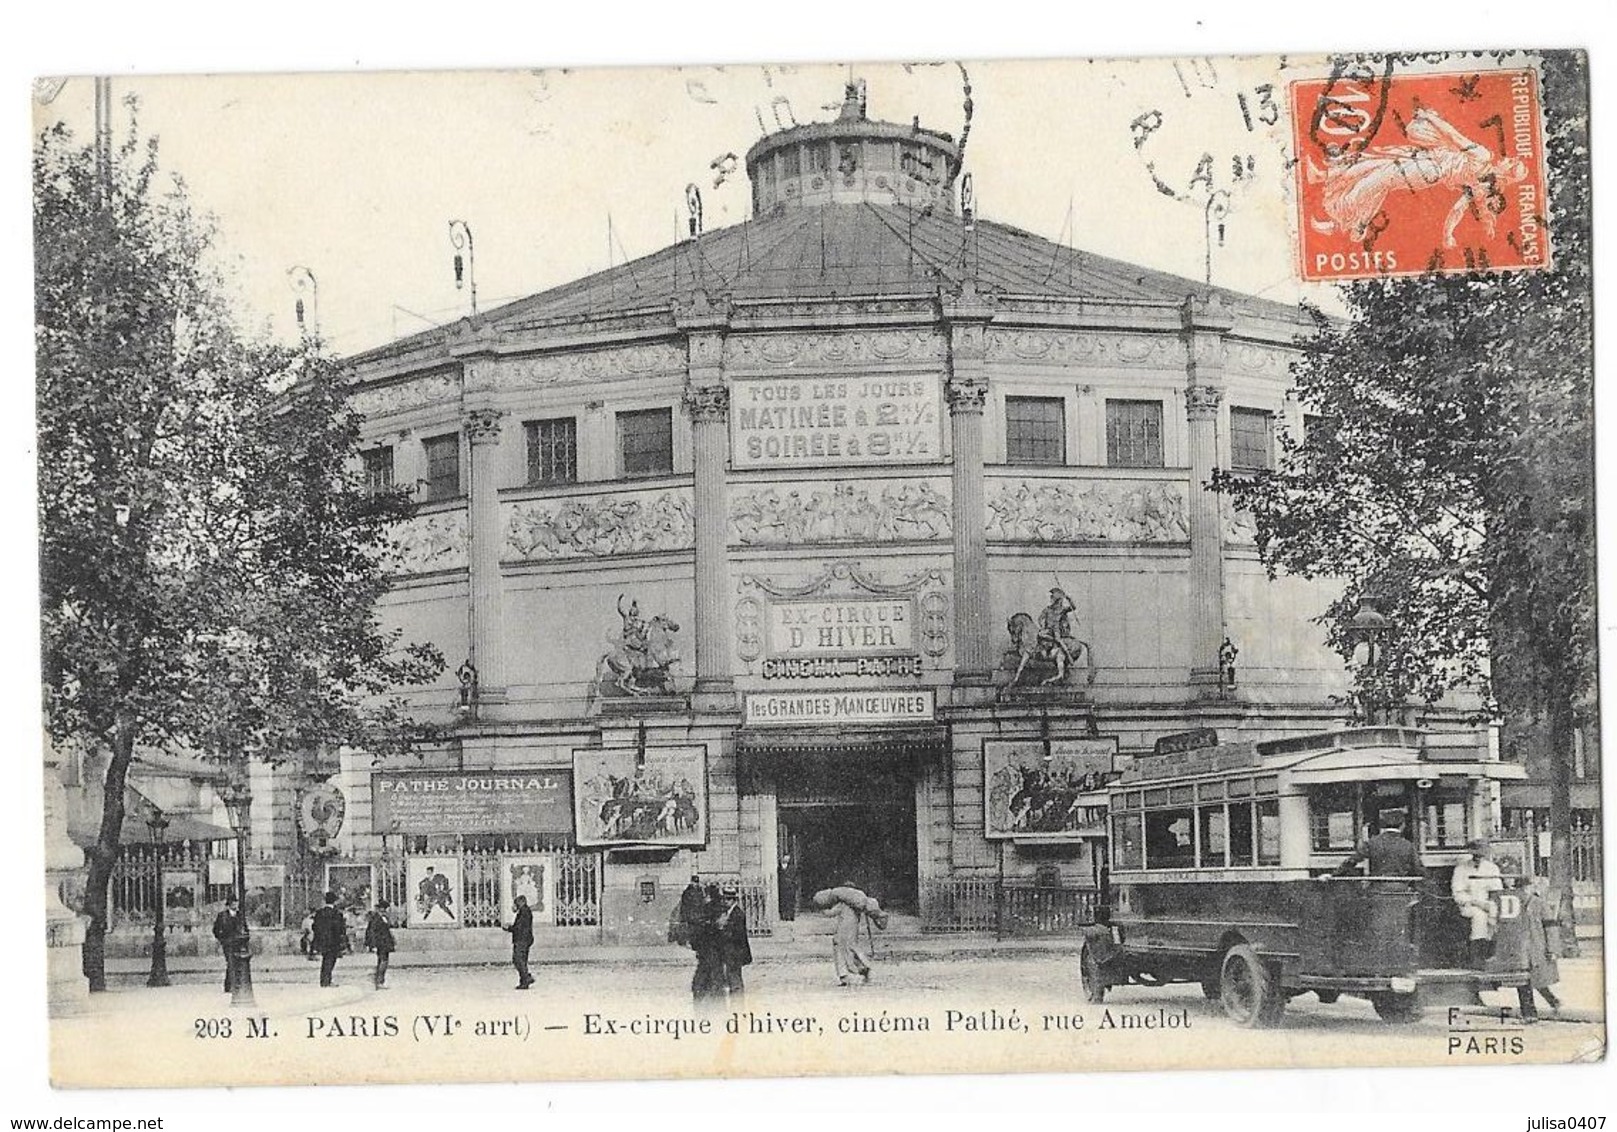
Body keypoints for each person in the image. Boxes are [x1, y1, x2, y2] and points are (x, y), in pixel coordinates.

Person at [1451, 838, 1504, 968]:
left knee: (1496, 916)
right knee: (1479, 916)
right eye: (1476, 855)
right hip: (1469, 904)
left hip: (1488, 903)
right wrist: (1474, 902)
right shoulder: (1461, 869)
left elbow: (1496, 891)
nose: (1478, 858)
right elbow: (1458, 892)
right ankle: (1477, 957)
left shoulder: (1492, 868)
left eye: (1481, 855)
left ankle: (1493, 954)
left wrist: (1491, 906)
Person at [1516, 877, 1563, 1020]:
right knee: (1524, 980)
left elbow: (1551, 928)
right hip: (1522, 949)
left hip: (1537, 948)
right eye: (1520, 889)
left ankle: (1542, 1006)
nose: (1523, 891)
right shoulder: (1515, 905)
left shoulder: (1540, 904)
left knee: (1535, 979)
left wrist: (1553, 949)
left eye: (1525, 888)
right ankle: (1532, 1012)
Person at [1332, 810, 1423, 878]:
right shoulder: (1408, 845)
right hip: (1401, 888)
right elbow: (1418, 868)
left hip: (1377, 888)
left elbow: (1352, 860)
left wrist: (1333, 874)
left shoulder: (1373, 842)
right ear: (1403, 825)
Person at [689, 883, 725, 1007]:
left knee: (705, 974)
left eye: (706, 894)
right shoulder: (720, 908)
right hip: (714, 948)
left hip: (708, 948)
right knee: (714, 973)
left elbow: (701, 929)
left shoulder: (708, 908)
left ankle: (705, 998)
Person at [715, 881, 752, 1000]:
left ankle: (738, 1008)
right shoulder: (727, 913)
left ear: (733, 900)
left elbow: (737, 935)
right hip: (729, 953)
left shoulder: (738, 914)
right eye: (724, 899)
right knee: (731, 980)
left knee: (735, 981)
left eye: (727, 899)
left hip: (735, 953)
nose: (724, 902)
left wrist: (721, 929)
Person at [312, 890, 347, 988]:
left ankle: (324, 980)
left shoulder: (319, 913)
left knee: (325, 959)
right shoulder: (336, 913)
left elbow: (314, 926)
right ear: (334, 901)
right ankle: (327, 980)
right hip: (333, 940)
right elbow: (340, 928)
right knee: (331, 960)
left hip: (322, 940)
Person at [211, 895, 243, 994]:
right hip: (228, 944)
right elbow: (215, 929)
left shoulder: (240, 915)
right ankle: (231, 986)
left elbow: (245, 927)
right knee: (231, 962)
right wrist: (222, 939)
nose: (235, 904)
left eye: (236, 902)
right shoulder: (222, 915)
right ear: (229, 905)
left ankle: (231, 985)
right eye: (233, 903)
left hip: (238, 943)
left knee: (236, 963)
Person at [364, 899, 396, 990]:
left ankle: (379, 980)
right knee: (384, 961)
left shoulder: (381, 917)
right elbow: (372, 932)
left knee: (382, 960)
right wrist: (372, 945)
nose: (384, 910)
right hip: (381, 943)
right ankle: (379, 981)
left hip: (384, 942)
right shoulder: (377, 918)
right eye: (384, 909)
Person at [505, 894, 534, 990]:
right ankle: (524, 981)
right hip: (524, 939)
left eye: (516, 903)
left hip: (522, 939)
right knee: (522, 961)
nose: (515, 905)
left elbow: (519, 927)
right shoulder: (524, 911)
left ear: (522, 902)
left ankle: (526, 978)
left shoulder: (524, 912)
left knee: (517, 960)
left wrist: (509, 928)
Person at [671, 874, 705, 948]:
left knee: (697, 929)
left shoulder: (700, 891)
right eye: (694, 882)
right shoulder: (687, 891)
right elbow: (685, 904)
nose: (696, 884)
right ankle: (689, 942)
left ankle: (696, 943)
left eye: (697, 882)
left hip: (698, 914)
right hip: (691, 914)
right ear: (691, 882)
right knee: (690, 929)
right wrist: (685, 915)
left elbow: (702, 901)